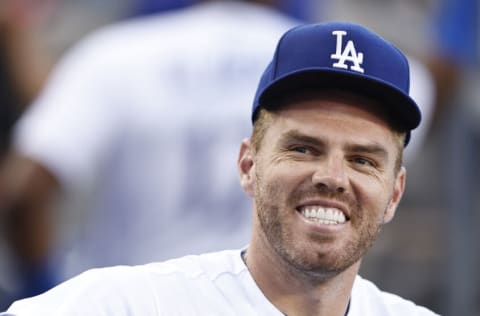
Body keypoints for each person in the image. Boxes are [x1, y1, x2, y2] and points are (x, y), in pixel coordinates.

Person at [1, 21, 440, 315]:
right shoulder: (121, 305)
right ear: (248, 164)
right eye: (304, 149)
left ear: (395, 193)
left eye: (362, 160)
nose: (331, 176)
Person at [0, 0, 301, 304]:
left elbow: (26, 190)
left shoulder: (122, 52)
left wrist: (42, 287)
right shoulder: (308, 65)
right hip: (262, 302)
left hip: (129, 301)